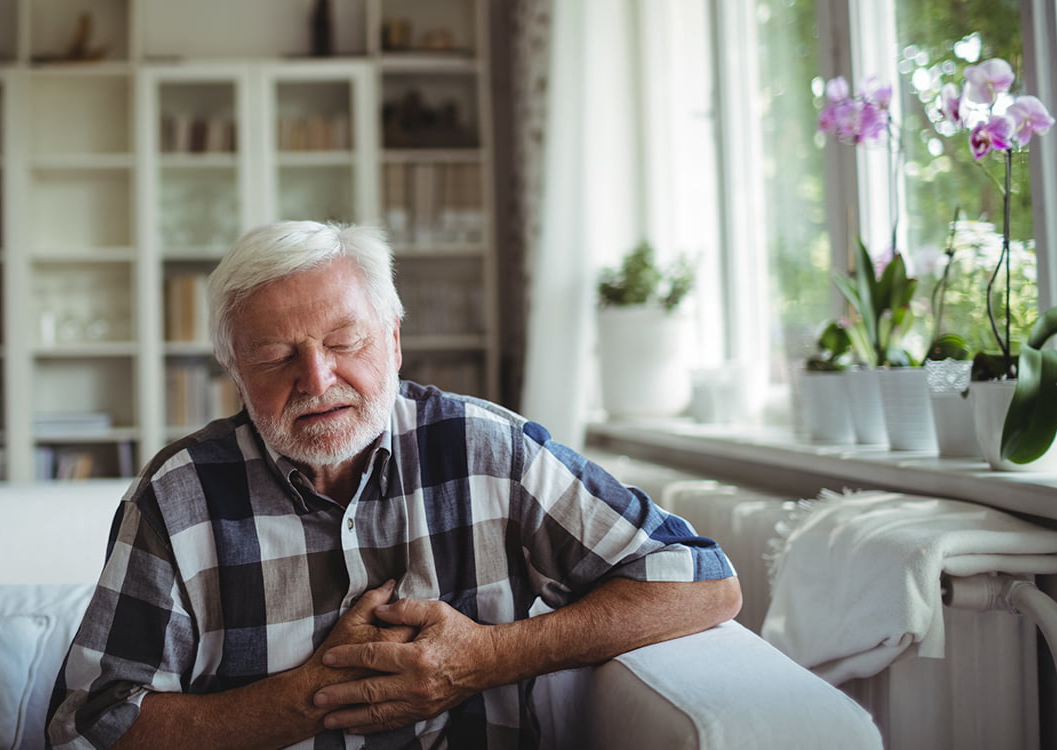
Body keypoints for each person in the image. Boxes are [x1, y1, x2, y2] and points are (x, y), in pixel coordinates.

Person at [47, 220, 741, 750]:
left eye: (345, 343)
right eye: (275, 356)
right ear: (236, 372)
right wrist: (302, 698)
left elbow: (705, 583)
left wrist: (485, 658)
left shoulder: (487, 449)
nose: (316, 382)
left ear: (395, 340)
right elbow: (89, 724)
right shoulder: (177, 496)